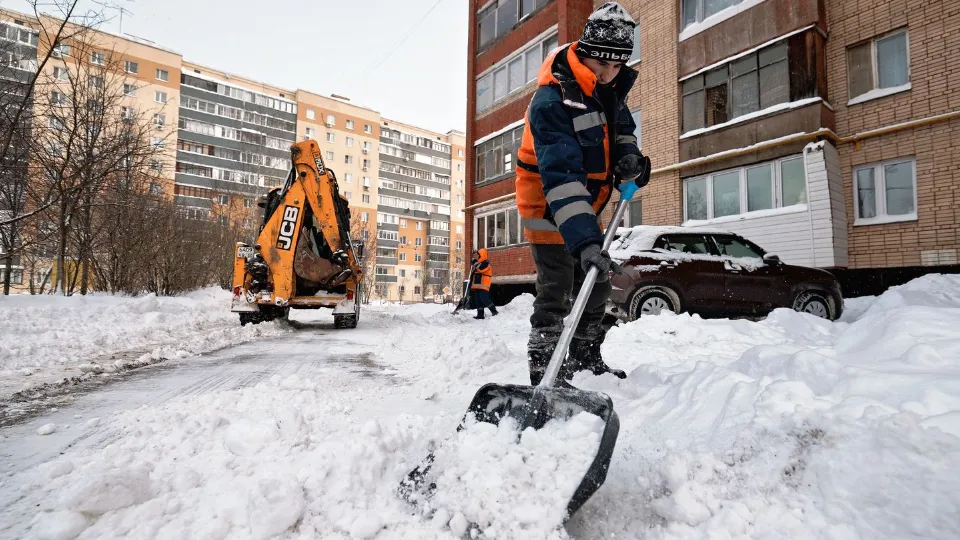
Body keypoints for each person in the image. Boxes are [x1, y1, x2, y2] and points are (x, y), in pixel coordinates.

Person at [515, 2, 652, 386]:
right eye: (601, 64)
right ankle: (545, 370)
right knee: (557, 286)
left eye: (617, 65)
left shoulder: (607, 87)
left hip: (584, 204)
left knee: (598, 283)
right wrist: (587, 240)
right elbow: (561, 177)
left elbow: (622, 128)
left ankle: (585, 356)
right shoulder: (550, 100)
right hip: (547, 200)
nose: (609, 74)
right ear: (585, 51)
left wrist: (629, 159)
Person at [470, 248, 498, 319]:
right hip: (477, 286)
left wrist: (475, 263)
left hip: (483, 285)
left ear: (482, 255)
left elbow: (481, 269)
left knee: (485, 299)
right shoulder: (479, 264)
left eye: (479, 255)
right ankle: (480, 315)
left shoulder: (486, 263)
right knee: (478, 301)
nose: (478, 257)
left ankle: (494, 311)